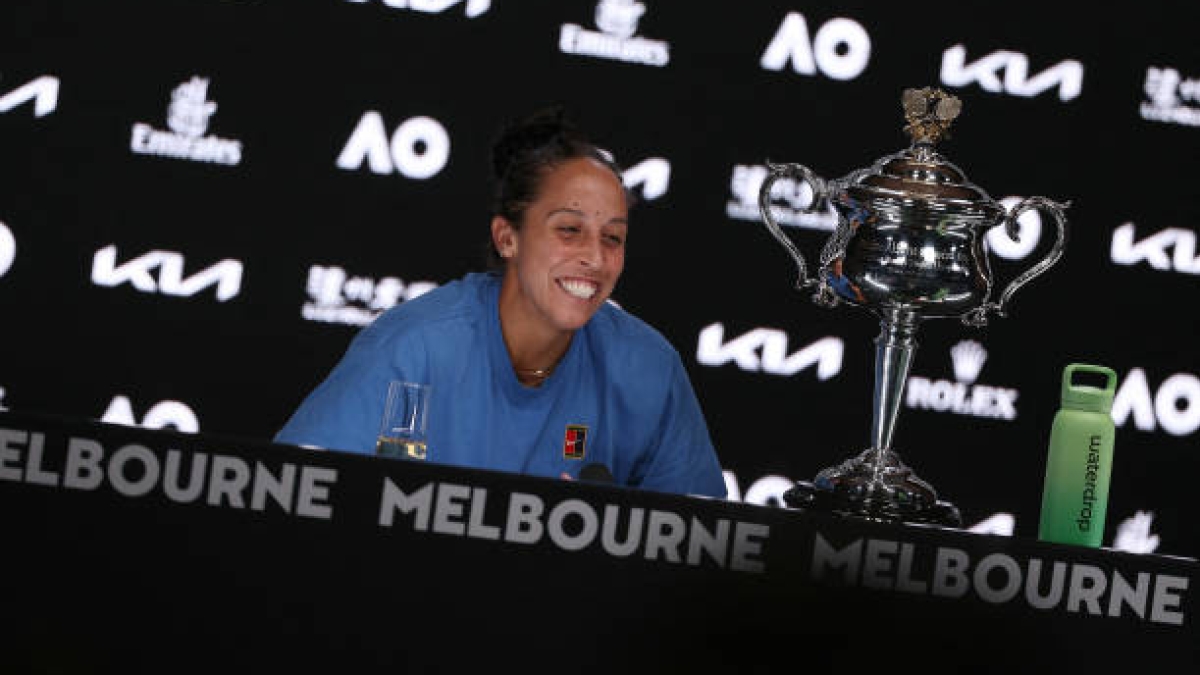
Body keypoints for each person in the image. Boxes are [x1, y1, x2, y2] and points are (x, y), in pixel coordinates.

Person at [274, 106, 726, 499]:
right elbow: (294, 495)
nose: (594, 257)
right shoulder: (417, 347)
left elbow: (701, 551)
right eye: (569, 230)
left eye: (613, 237)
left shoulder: (648, 369)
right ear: (507, 237)